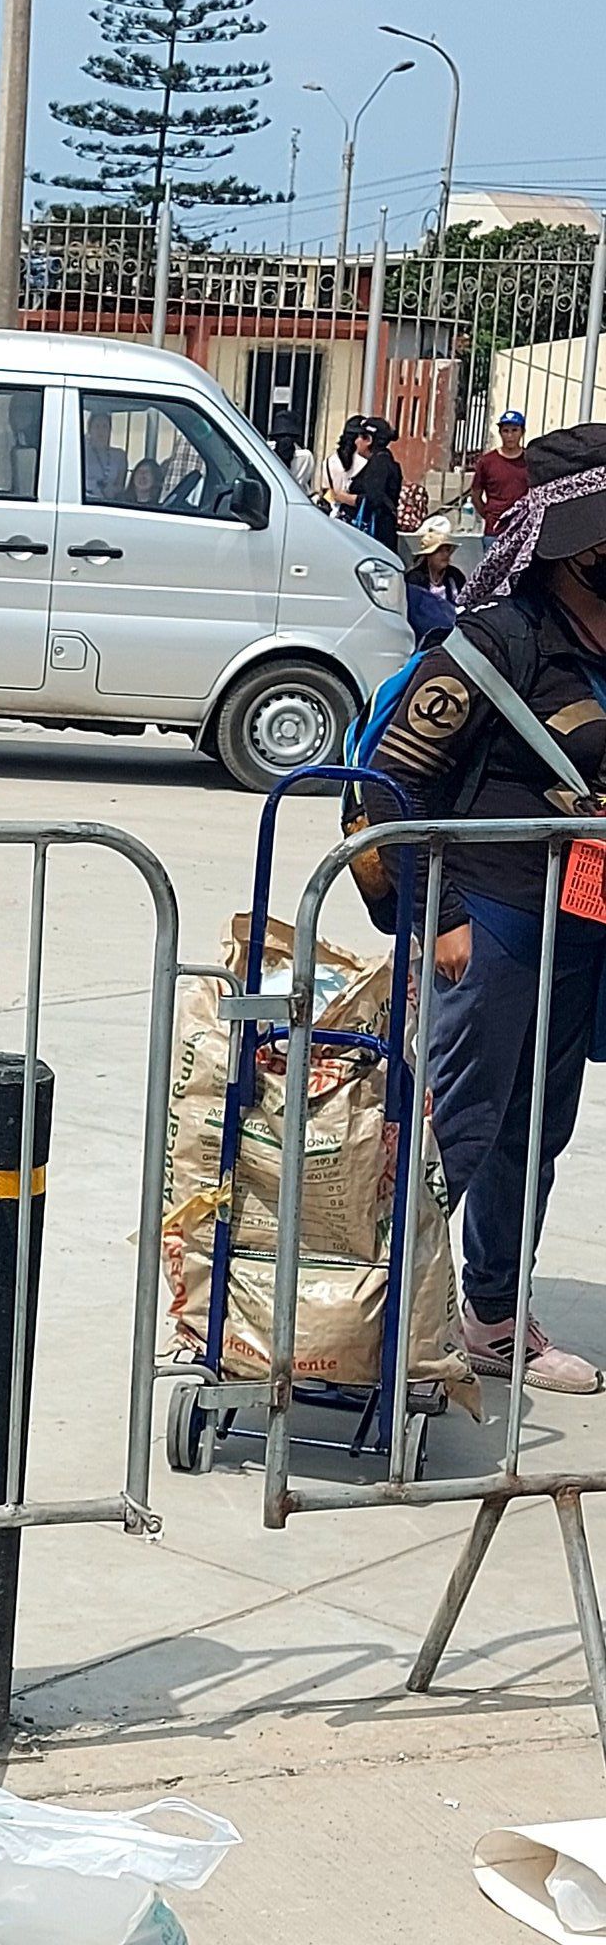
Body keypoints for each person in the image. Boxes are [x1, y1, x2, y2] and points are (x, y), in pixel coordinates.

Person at [367, 424, 606, 1394]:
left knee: (534, 1126)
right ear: (575, 541)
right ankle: (383, 1329)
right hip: (491, 919)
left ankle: (492, 1318)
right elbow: (386, 785)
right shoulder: (490, 642)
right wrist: (438, 915)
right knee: (449, 1127)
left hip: (576, 918)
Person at [467, 409, 531, 547]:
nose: (510, 436)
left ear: (522, 432)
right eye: (506, 431)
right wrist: (489, 516)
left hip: (522, 531)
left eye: (514, 430)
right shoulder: (487, 461)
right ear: (500, 433)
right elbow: (476, 495)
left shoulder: (530, 461)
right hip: (494, 532)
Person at [402, 515, 463, 641]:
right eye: (440, 551)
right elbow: (414, 614)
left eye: (447, 550)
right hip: (426, 634)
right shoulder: (415, 579)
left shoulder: (455, 575)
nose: (445, 555)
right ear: (428, 555)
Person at [347, 417, 402, 550]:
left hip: (375, 536)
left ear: (369, 440)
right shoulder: (383, 461)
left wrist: (344, 497)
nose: (356, 441)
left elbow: (374, 500)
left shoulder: (379, 465)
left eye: (360, 437)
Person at [322, 415, 366, 517]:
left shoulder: (329, 461)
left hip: (334, 517)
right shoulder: (366, 462)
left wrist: (335, 504)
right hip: (357, 517)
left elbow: (327, 492)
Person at [82, 408, 129, 503]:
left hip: (109, 502)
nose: (101, 431)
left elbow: (121, 486)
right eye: (97, 426)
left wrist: (112, 490)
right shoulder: (81, 452)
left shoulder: (119, 455)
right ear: (90, 429)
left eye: (105, 426)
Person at [270, 418, 316, 492]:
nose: (285, 439)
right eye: (281, 436)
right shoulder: (268, 453)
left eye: (289, 436)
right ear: (275, 438)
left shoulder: (304, 458)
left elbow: (301, 481)